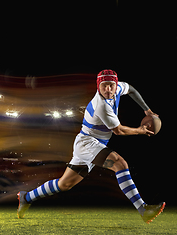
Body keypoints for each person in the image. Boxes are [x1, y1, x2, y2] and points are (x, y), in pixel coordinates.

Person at [17, 69, 165, 224]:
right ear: (98, 87)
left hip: (91, 144)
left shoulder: (118, 88)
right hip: (88, 143)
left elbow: (132, 90)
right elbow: (119, 130)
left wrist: (146, 109)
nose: (108, 89)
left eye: (111, 85)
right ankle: (143, 209)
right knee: (120, 164)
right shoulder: (101, 105)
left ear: (116, 85)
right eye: (104, 86)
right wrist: (140, 131)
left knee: (64, 184)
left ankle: (26, 197)